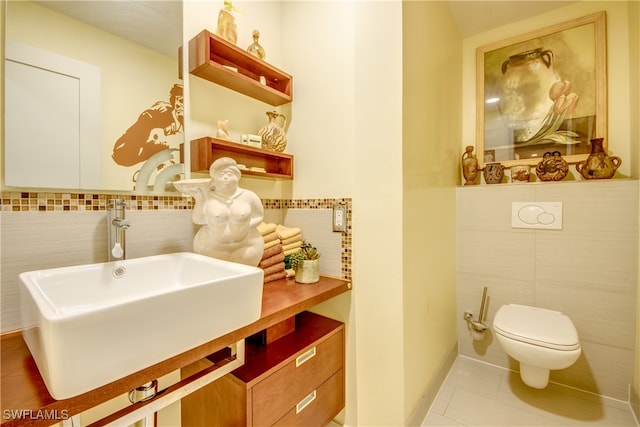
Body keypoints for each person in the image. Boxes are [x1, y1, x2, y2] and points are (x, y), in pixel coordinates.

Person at [192, 157, 264, 266]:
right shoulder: (208, 197)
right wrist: (199, 198)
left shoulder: (249, 196)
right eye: (221, 175)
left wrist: (247, 226)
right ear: (215, 178)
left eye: (229, 174)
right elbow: (198, 220)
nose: (225, 177)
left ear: (237, 176)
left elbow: (259, 216)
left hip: (247, 246)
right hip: (212, 248)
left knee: (245, 278)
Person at [112, 84, 184, 167]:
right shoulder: (156, 117)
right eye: (181, 101)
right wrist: (146, 121)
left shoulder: (184, 128)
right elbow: (120, 155)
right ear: (176, 103)